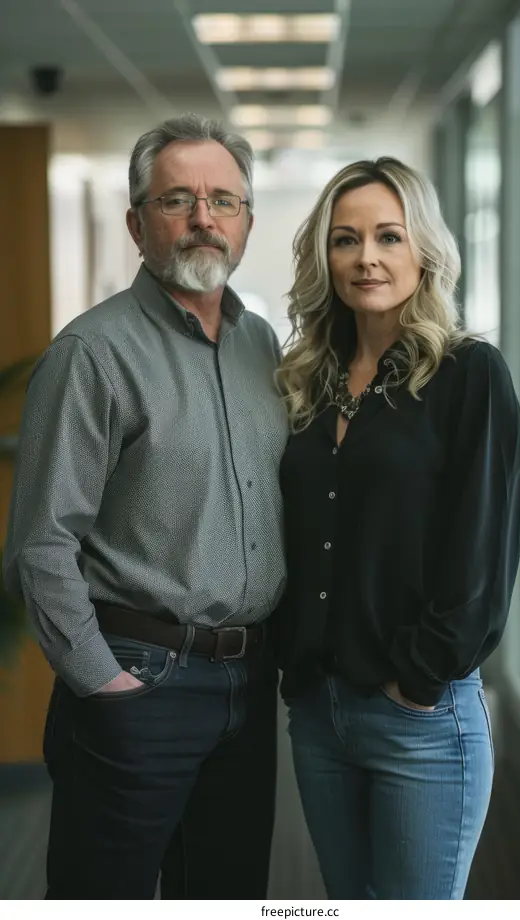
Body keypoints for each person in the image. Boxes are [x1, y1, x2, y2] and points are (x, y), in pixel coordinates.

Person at [3, 114, 289, 900]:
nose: (205, 217)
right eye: (177, 199)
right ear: (136, 223)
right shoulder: (92, 354)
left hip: (246, 686)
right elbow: (41, 543)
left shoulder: (259, 344)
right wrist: (103, 684)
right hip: (141, 682)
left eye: (224, 200)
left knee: (227, 895)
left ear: (247, 223)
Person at [273, 156, 520, 900]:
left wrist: (418, 678)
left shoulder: (469, 374)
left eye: (389, 235)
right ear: (324, 256)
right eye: (345, 239)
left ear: (425, 250)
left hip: (418, 714)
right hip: (319, 713)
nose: (367, 257)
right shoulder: (306, 382)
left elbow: (483, 553)